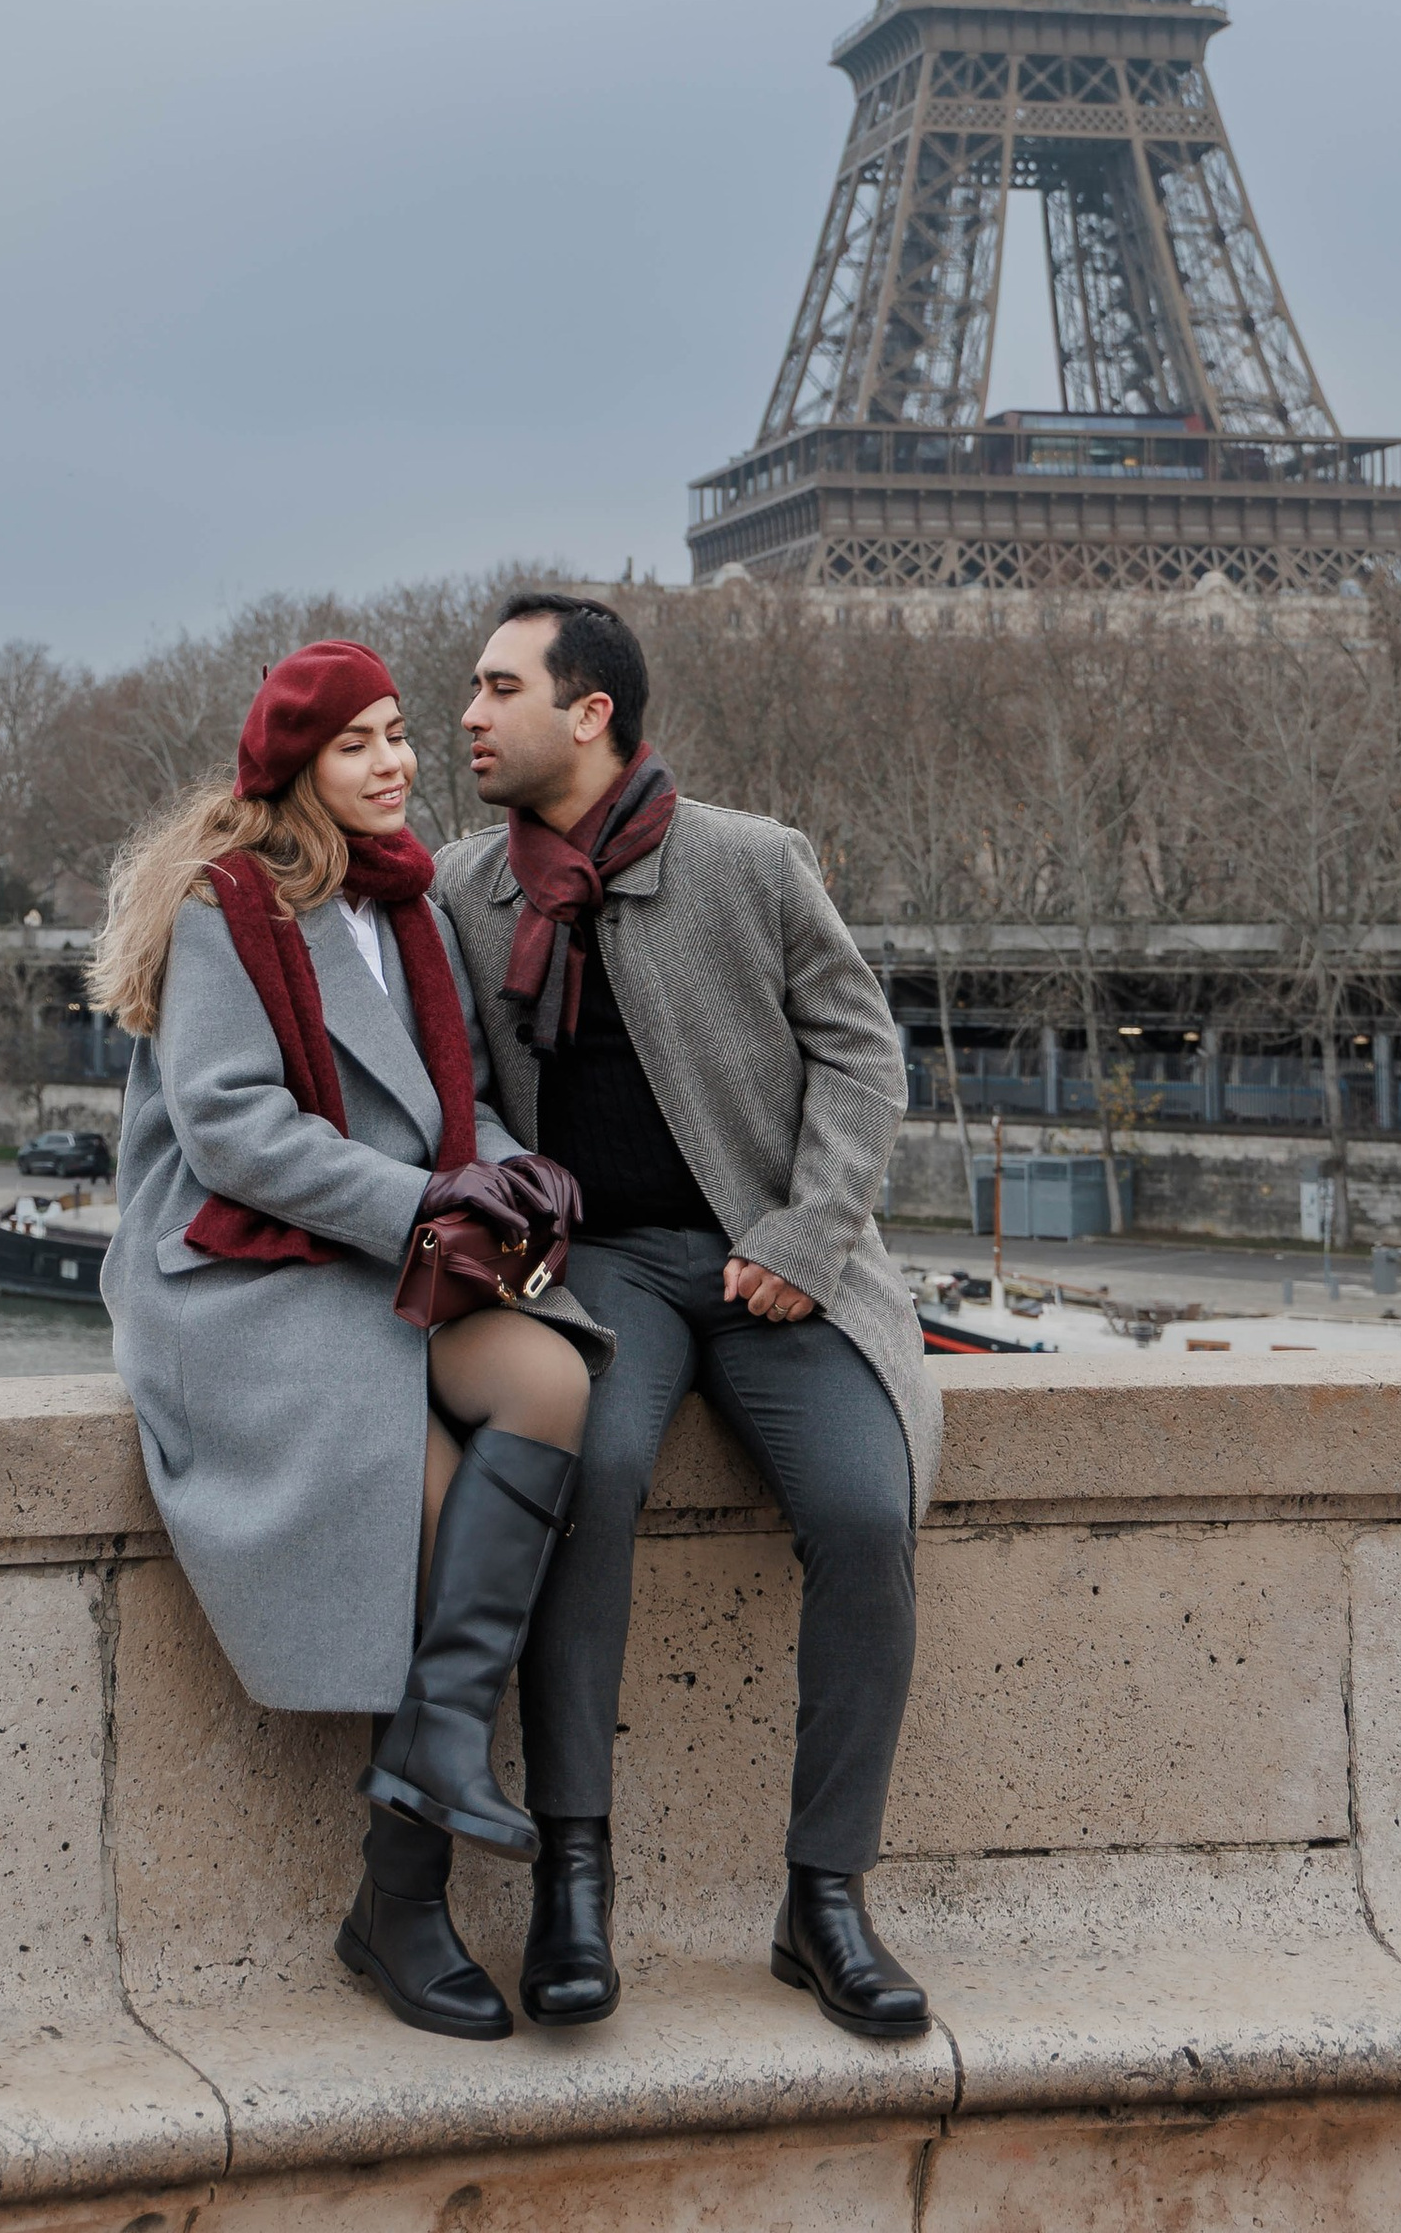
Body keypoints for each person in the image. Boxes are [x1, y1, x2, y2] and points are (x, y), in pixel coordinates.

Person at [433, 592, 943, 2043]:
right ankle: (572, 1883)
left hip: (771, 1259)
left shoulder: (749, 861)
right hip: (602, 1266)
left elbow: (861, 1057)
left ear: (588, 713)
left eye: (495, 688)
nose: (466, 715)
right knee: (585, 1479)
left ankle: (825, 1898)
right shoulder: (465, 890)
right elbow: (456, 1081)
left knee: (863, 1512)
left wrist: (807, 1230)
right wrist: (510, 1194)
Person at [97, 639, 608, 2043]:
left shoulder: (413, 908)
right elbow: (233, 1134)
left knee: (555, 1377)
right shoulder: (228, 908)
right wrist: (436, 1199)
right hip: (250, 1267)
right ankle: (403, 1894)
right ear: (296, 771)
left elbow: (456, 1110)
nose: (396, 765)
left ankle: (432, 1761)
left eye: (399, 736)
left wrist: (505, 1178)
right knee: (429, 1506)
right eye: (360, 746)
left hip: (384, 1246)